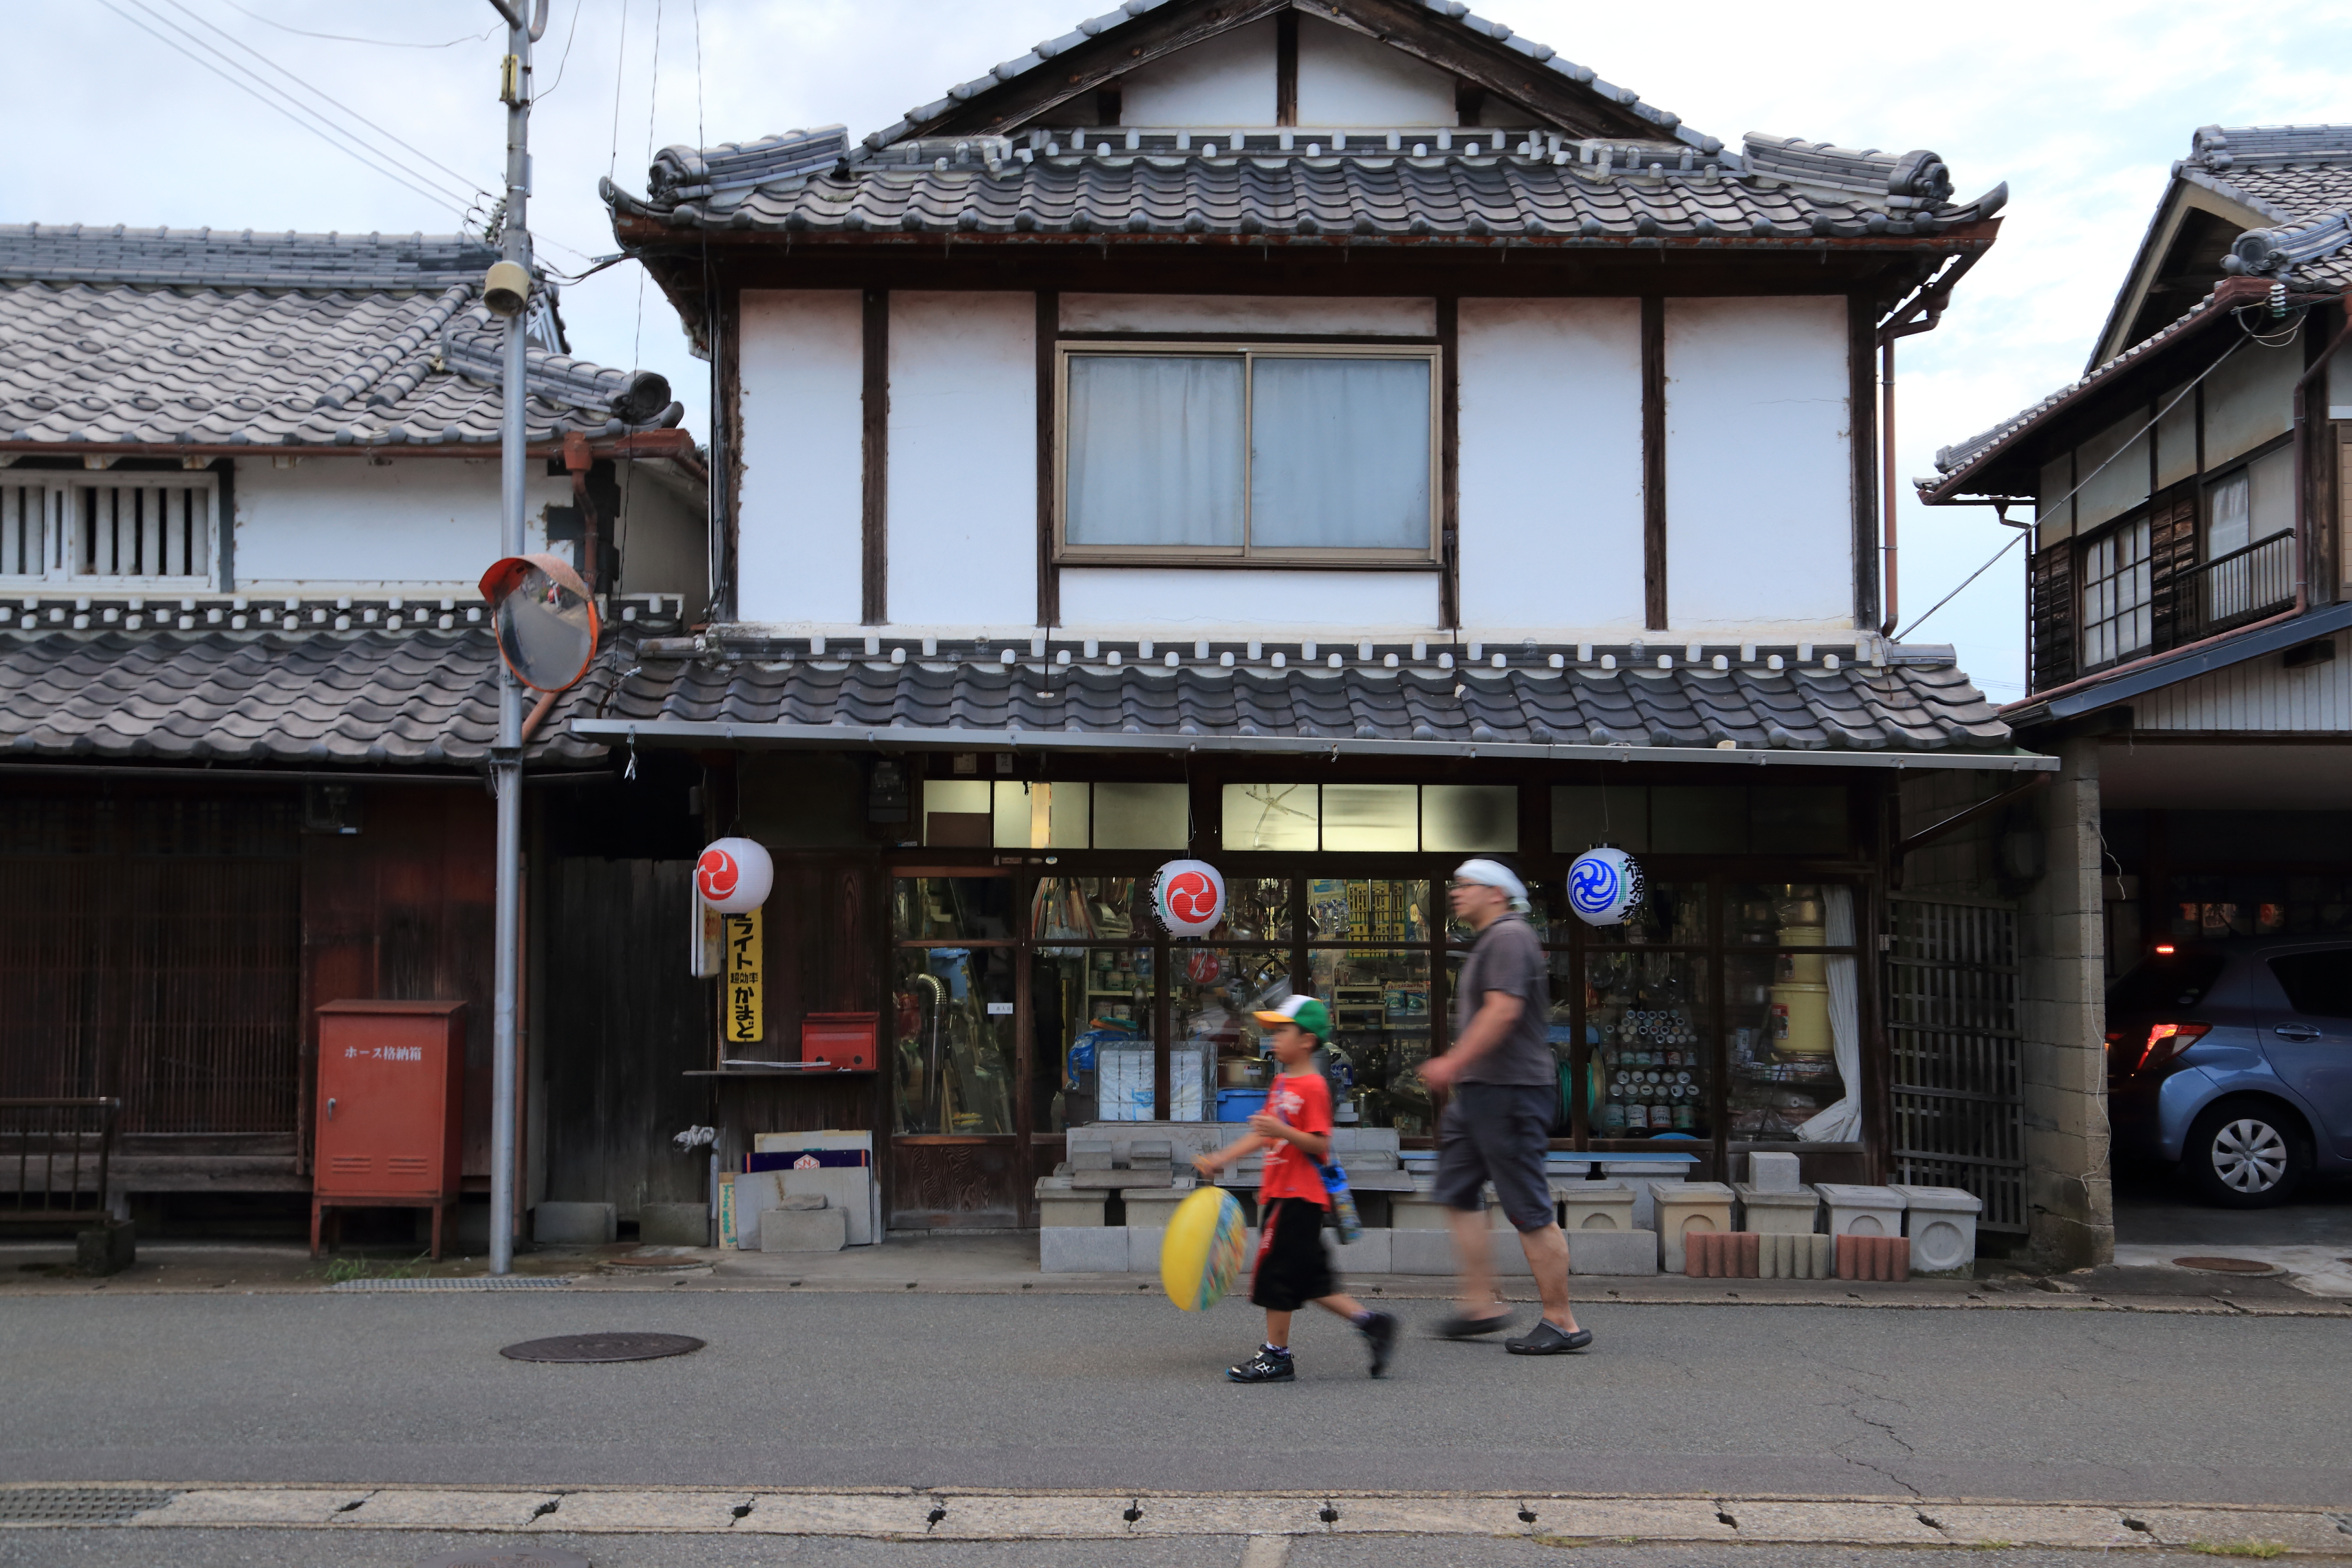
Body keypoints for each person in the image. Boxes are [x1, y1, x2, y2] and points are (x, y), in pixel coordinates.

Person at [1419, 859, 1593, 1355]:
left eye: (1465, 886)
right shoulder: (1491, 940)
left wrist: (1452, 1063)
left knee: (1527, 1206)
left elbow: (1503, 1010)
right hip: (1481, 1092)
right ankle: (1481, 1303)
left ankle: (1561, 1320)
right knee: (1456, 1188)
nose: (1456, 894)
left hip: (1512, 1090)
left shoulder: (1510, 937)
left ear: (1496, 893)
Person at [1193, 995, 1400, 1383]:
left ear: (1306, 1041)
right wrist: (1221, 1159)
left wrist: (1282, 1131)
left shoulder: (1314, 1087)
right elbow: (1263, 1134)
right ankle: (1373, 1324)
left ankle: (1277, 1355)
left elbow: (1320, 1143)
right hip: (1281, 1193)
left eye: (1281, 1031)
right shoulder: (1283, 1082)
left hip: (1299, 1197)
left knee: (1274, 1273)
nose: (1272, 1039)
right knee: (1310, 1280)